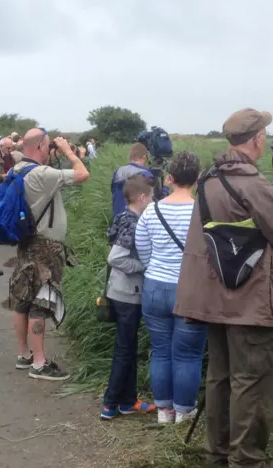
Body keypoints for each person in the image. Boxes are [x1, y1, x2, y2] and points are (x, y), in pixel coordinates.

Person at [173, 108, 273, 467]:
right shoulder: (252, 183)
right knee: (252, 383)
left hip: (214, 299)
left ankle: (217, 455)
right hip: (250, 302)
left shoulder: (208, 180)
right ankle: (247, 460)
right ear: (258, 139)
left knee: (220, 378)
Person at [5, 128, 90, 381]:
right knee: (41, 301)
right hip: (45, 247)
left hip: (26, 243)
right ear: (42, 146)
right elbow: (82, 173)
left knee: (22, 298)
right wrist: (67, 151)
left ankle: (24, 354)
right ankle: (40, 364)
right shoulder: (42, 174)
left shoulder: (16, 170)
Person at [134, 151, 206, 424]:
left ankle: (164, 411)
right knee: (187, 354)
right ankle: (184, 410)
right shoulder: (202, 211)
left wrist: (157, 268)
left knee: (161, 350)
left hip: (154, 288)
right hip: (190, 289)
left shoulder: (152, 209)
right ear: (198, 178)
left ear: (170, 178)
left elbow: (142, 249)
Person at [101, 175, 156, 420]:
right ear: (143, 197)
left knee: (129, 346)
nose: (153, 201)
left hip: (118, 291)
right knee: (124, 349)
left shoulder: (123, 216)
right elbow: (115, 258)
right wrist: (144, 264)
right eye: (152, 196)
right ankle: (110, 403)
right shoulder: (134, 223)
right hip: (127, 294)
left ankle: (128, 401)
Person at [111, 143, 162, 218]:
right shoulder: (146, 175)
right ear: (144, 157)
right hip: (137, 222)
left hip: (118, 220)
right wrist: (166, 188)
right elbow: (153, 203)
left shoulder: (118, 172)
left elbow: (113, 192)